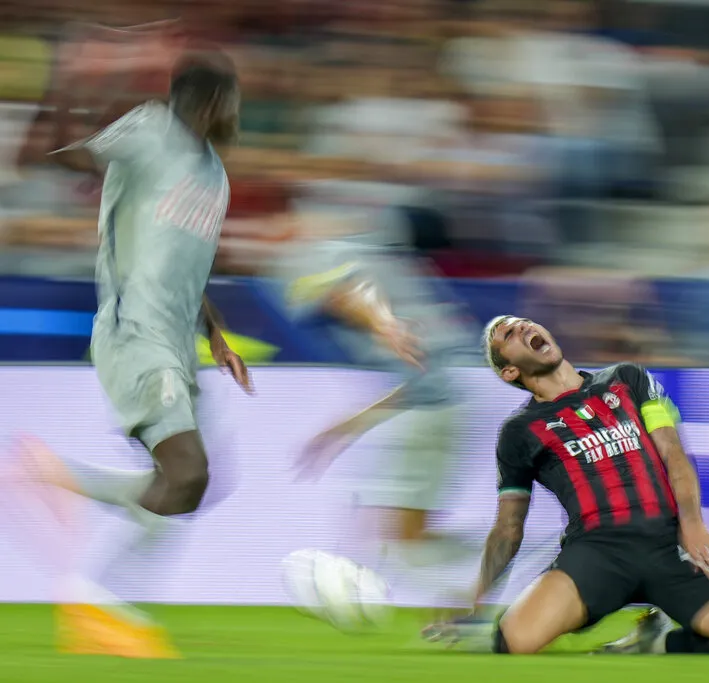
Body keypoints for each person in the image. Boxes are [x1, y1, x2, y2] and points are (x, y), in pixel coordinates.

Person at [12, 44, 251, 658]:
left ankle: (64, 493)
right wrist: (64, 87)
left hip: (178, 342)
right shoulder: (150, 129)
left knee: (193, 486)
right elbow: (52, 157)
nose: (239, 109)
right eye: (234, 97)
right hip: (133, 332)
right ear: (211, 99)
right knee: (187, 470)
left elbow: (184, 264)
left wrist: (215, 334)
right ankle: (97, 599)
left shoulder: (214, 174)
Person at [425, 315, 709, 655]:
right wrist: (478, 605)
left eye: (525, 324)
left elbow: (674, 453)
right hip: (597, 553)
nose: (523, 328)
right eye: (508, 334)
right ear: (509, 370)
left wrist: (692, 524)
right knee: (515, 642)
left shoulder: (629, 379)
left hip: (667, 544)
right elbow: (508, 527)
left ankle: (660, 638)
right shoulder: (518, 432)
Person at [279, 207, 478, 576]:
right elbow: (417, 385)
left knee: (407, 543)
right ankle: (508, 555)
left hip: (436, 407)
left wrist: (383, 323)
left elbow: (352, 292)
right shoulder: (362, 257)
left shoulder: (322, 260)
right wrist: (345, 428)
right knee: (397, 537)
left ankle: (517, 553)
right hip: (436, 401)